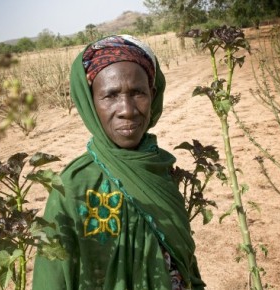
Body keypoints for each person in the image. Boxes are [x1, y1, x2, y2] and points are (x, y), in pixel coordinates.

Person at [32, 35, 205, 290]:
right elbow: (52, 278)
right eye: (110, 96)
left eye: (138, 93)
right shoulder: (72, 185)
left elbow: (183, 259)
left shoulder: (161, 170)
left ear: (153, 94)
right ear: (90, 103)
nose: (127, 109)